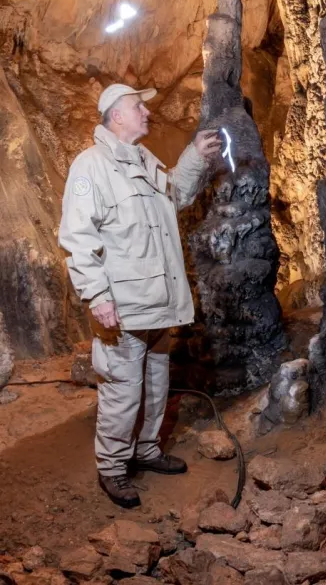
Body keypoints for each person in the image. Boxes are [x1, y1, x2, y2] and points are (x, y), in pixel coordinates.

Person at [59, 83, 222, 509]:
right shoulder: (90, 167)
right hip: (123, 307)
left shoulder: (142, 159)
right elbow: (78, 238)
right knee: (122, 390)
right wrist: (97, 295)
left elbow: (173, 197)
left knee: (155, 384)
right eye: (138, 108)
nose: (146, 113)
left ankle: (145, 451)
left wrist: (194, 158)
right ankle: (113, 468)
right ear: (116, 116)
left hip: (157, 302)